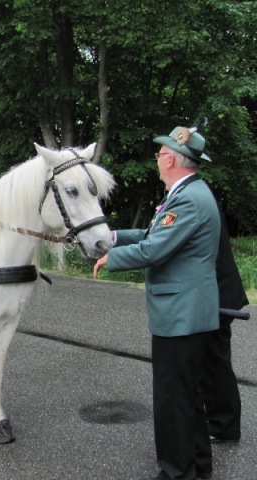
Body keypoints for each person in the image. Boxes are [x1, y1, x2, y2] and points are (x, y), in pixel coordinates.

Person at [93, 126, 220, 480]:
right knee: (187, 396)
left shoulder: (189, 199)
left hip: (181, 316)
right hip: (187, 313)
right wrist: (114, 238)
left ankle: (177, 471)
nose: (157, 160)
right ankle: (197, 465)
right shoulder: (189, 193)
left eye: (159, 155)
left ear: (170, 159)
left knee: (173, 399)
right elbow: (154, 234)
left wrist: (111, 259)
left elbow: (155, 249)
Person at [201, 205, 248, 444]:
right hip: (217, 292)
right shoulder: (202, 195)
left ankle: (224, 427)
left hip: (217, 295)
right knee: (213, 362)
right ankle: (221, 423)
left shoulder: (197, 199)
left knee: (215, 364)